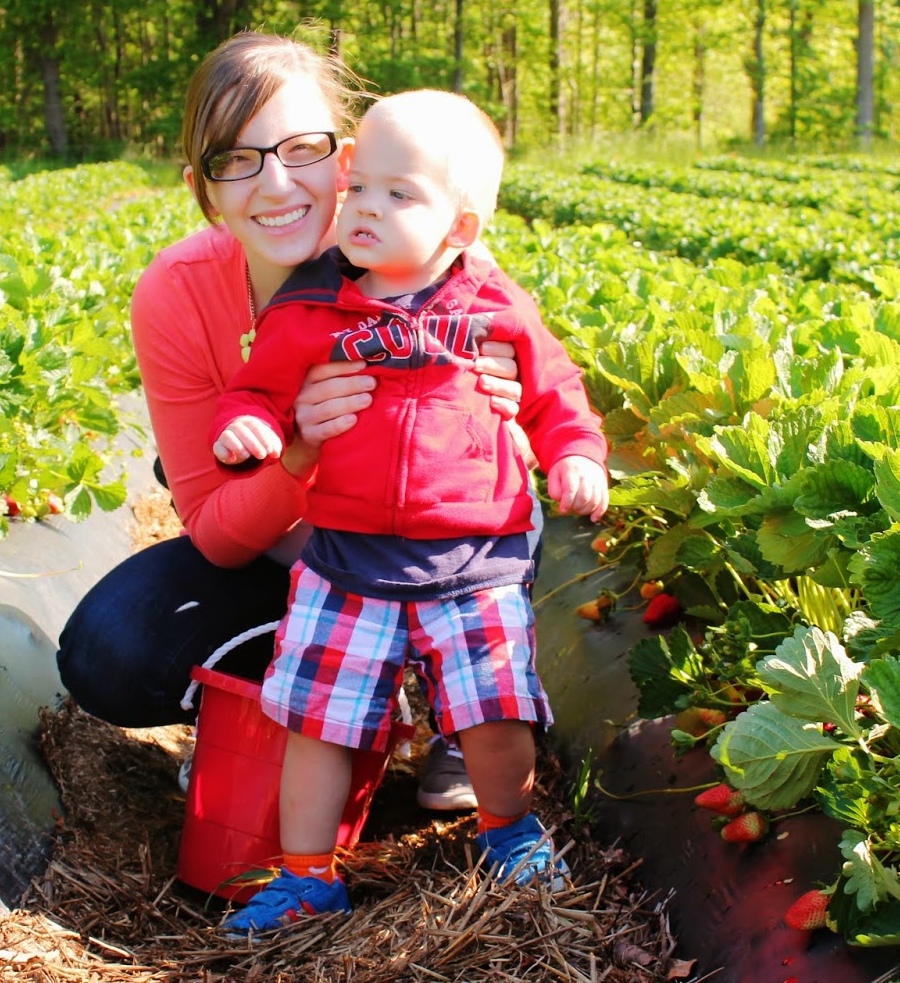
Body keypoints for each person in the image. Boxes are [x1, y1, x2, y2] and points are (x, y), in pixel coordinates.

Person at [54, 34, 526, 808]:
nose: (275, 184)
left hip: (435, 556)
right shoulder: (178, 293)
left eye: (301, 148)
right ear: (203, 190)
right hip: (293, 559)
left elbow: (526, 416)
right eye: (234, 160)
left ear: (345, 158)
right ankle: (310, 700)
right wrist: (299, 450)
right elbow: (212, 530)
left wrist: (505, 404)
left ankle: (454, 699)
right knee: (112, 650)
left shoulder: (424, 256)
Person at [210, 90, 610, 935]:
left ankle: (508, 833)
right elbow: (257, 390)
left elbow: (558, 396)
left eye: (401, 195)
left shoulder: (496, 308)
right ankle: (307, 874)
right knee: (318, 722)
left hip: (476, 558)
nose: (365, 209)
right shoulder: (312, 307)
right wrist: (248, 424)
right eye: (361, 190)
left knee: (494, 713)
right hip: (346, 557)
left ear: (460, 229)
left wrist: (575, 454)